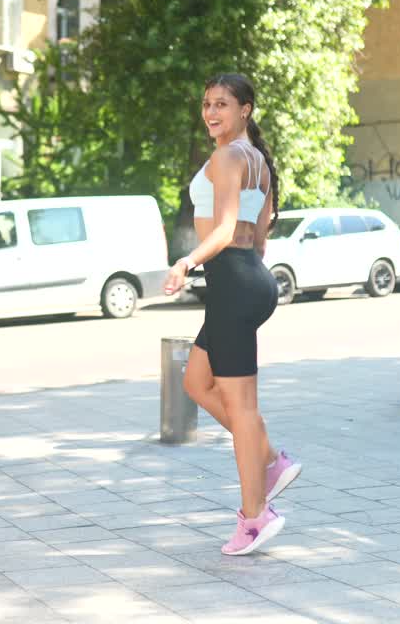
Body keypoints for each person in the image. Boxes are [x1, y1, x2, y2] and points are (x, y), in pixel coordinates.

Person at [162, 73, 302, 556]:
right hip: (246, 281)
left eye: (222, 104)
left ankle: (255, 516)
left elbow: (223, 229)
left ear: (245, 110)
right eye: (206, 103)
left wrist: (187, 261)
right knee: (196, 382)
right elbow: (258, 237)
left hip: (234, 282)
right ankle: (269, 460)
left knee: (241, 409)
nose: (211, 112)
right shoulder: (257, 160)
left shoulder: (227, 157)